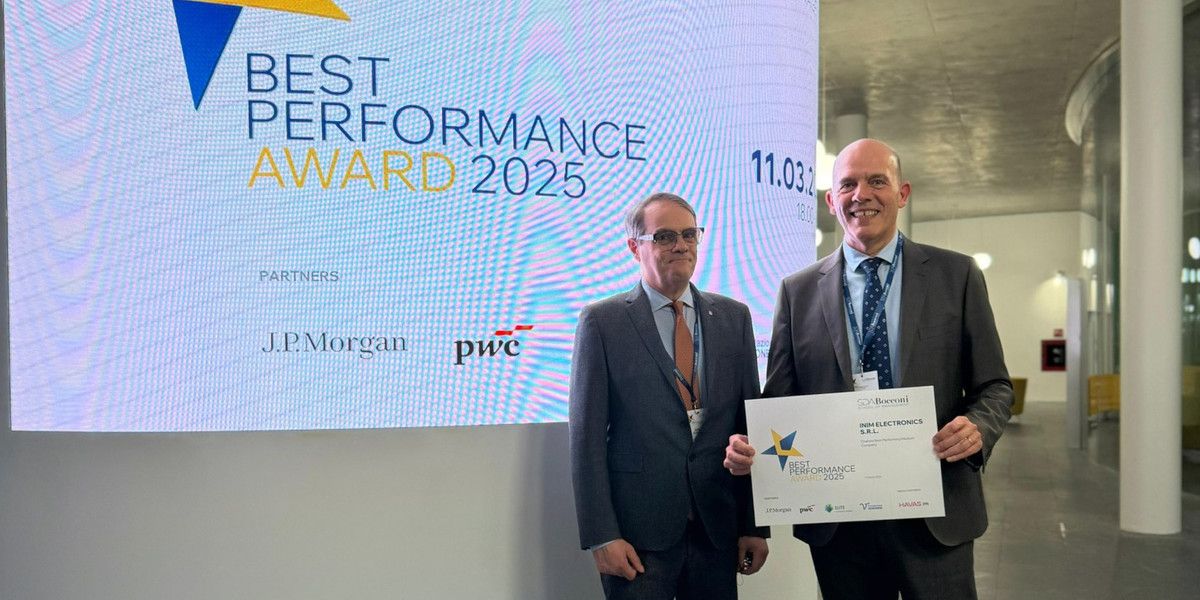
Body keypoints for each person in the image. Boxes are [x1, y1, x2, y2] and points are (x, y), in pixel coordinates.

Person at [724, 139, 1013, 599]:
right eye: (848, 184)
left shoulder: (955, 276)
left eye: (877, 181)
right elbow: (780, 400)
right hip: (841, 522)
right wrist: (751, 442)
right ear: (831, 201)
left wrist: (978, 426)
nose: (862, 194)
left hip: (935, 509)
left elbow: (995, 385)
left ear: (902, 193)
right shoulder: (798, 292)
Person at [569, 192, 769, 600]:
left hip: (717, 530)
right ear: (634, 247)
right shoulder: (603, 322)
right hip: (638, 538)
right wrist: (601, 535)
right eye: (664, 236)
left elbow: (749, 426)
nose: (681, 245)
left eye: (689, 234)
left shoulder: (734, 317)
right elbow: (586, 440)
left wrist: (754, 525)